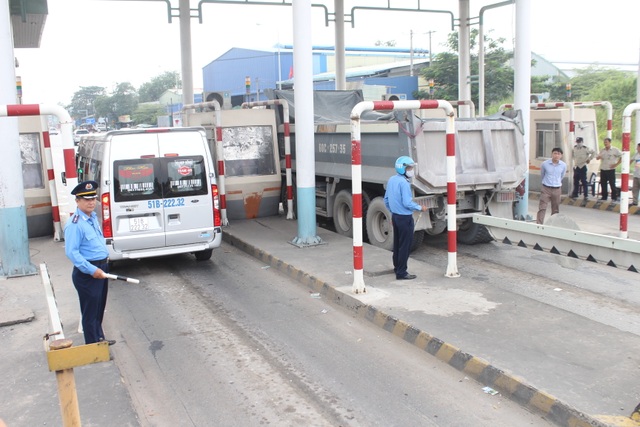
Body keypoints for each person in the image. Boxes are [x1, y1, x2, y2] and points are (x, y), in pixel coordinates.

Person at [64, 180, 115, 345]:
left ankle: (99, 338)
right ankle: (93, 344)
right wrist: (92, 269)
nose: (91, 202)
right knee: (90, 310)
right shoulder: (75, 224)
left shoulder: (92, 218)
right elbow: (72, 252)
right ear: (77, 201)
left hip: (101, 267)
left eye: (93, 198)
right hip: (88, 272)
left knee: (99, 307)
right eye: (86, 199)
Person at [384, 156, 427, 280]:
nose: (411, 170)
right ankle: (402, 272)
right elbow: (407, 203)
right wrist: (420, 208)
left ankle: (397, 267)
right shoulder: (404, 183)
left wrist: (393, 212)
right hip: (405, 218)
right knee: (405, 246)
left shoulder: (392, 180)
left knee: (397, 244)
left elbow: (386, 200)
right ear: (402, 169)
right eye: (409, 168)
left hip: (396, 217)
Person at [536, 147, 567, 224]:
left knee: (555, 208)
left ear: (561, 156)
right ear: (552, 154)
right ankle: (539, 224)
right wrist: (545, 183)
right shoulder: (545, 164)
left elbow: (562, 176)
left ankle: (554, 224)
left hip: (557, 189)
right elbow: (542, 175)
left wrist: (557, 183)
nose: (556, 155)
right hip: (546, 188)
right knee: (542, 207)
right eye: (555, 153)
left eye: (558, 154)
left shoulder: (563, 165)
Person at [596, 137, 622, 202]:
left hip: (610, 169)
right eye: (604, 142)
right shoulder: (602, 150)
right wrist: (598, 157)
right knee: (603, 183)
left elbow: (622, 156)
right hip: (603, 169)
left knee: (612, 183)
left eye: (606, 142)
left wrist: (616, 164)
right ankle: (604, 196)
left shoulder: (615, 150)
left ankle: (614, 197)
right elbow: (597, 157)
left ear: (610, 142)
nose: (605, 144)